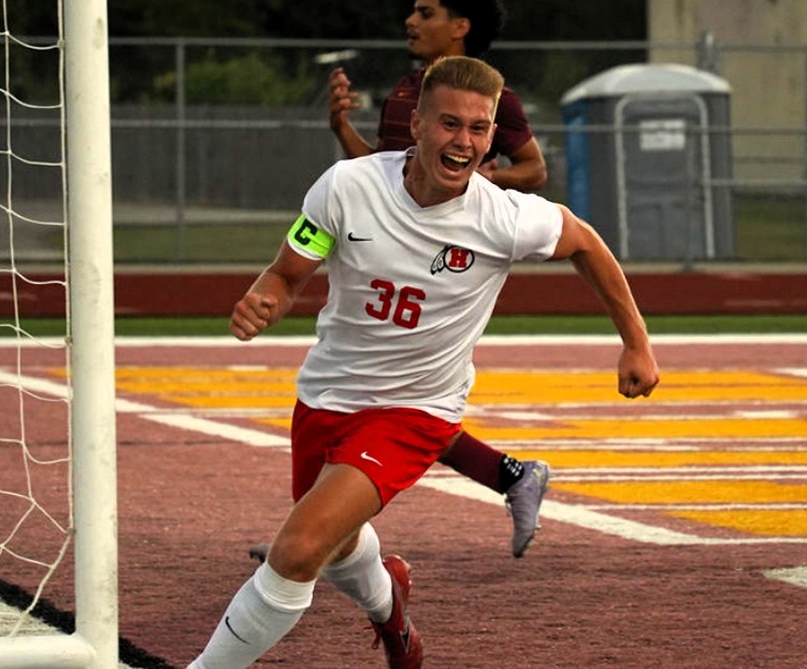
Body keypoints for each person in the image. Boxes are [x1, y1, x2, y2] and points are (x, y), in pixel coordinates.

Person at [190, 56, 659, 669]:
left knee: (299, 548)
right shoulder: (346, 187)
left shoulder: (504, 217)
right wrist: (265, 300)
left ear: (492, 136)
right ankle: (395, 619)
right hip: (327, 399)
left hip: (416, 412)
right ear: (415, 125)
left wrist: (636, 341)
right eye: (449, 124)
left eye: (479, 128)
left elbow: (587, 243)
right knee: (335, 549)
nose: (463, 141)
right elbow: (288, 271)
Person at [321, 0, 552, 559]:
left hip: (446, 260)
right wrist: (341, 127)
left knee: (397, 397)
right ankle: (512, 475)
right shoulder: (409, 92)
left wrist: (487, 176)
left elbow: (535, 170)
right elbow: (381, 168)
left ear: (460, 26)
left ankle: (318, 532)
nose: (411, 20)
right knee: (382, 393)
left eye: (426, 11)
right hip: (391, 255)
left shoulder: (494, 98)